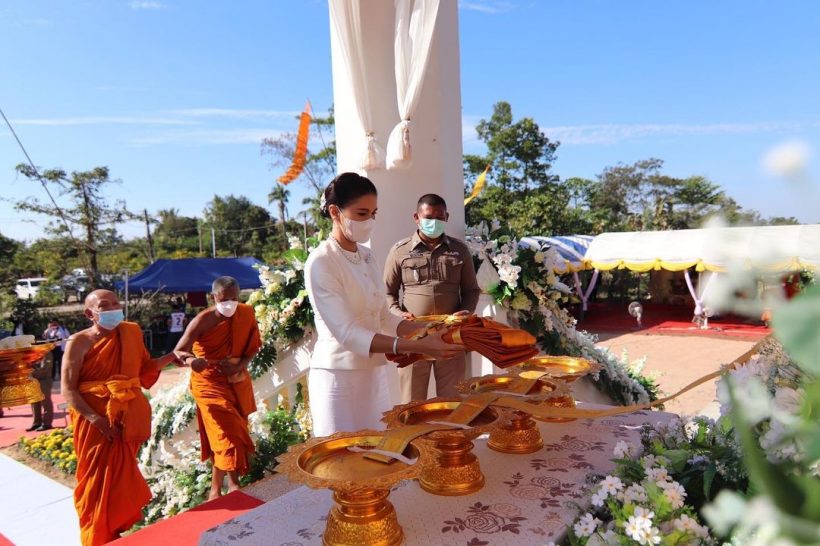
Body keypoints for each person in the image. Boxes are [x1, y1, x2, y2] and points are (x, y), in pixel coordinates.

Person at [305, 173, 464, 437]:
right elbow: (347, 333)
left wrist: (428, 332)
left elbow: (383, 316)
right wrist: (417, 346)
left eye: (373, 213)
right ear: (335, 211)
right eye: (362, 213)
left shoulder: (366, 256)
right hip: (337, 377)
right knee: (342, 462)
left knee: (377, 455)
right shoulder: (322, 261)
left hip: (373, 373)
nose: (369, 221)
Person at [61, 289, 177, 546]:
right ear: (89, 313)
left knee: (119, 479)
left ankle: (114, 533)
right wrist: (97, 420)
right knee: (95, 480)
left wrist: (171, 357)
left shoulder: (131, 332)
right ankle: (97, 537)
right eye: (105, 304)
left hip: (125, 419)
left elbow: (144, 370)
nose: (114, 308)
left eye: (116, 303)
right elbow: (68, 389)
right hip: (94, 424)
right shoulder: (78, 342)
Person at [384, 193, 480, 402]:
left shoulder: (459, 250)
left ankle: (450, 435)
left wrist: (466, 313)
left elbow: (472, 290)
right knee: (412, 402)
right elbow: (388, 293)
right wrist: (399, 315)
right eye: (428, 217)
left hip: (450, 336)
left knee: (452, 401)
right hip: (414, 337)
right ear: (416, 218)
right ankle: (414, 435)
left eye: (439, 217)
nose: (433, 222)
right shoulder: (400, 251)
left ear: (446, 217)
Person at [173, 276, 261, 500]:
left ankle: (219, 488)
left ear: (239, 295)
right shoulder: (202, 320)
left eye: (233, 299)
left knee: (222, 434)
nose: (229, 304)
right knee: (226, 430)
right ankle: (230, 485)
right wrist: (192, 361)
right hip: (208, 383)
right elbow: (179, 352)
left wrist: (240, 365)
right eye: (224, 300)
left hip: (237, 379)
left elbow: (253, 346)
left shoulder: (246, 313)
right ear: (214, 297)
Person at [28, 351, 54, 431]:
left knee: (45, 402)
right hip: (34, 381)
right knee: (34, 402)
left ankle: (47, 423)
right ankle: (36, 423)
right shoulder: (31, 354)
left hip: (44, 380)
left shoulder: (46, 353)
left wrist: (30, 373)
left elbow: (45, 369)